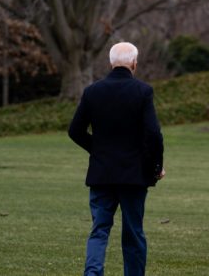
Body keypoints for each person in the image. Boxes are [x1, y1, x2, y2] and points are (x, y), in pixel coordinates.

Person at [68, 42, 165, 276]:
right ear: (134, 63)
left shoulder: (92, 91)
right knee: (133, 232)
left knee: (99, 230)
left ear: (110, 63)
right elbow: (153, 133)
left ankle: (92, 273)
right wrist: (156, 166)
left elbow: (75, 131)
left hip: (102, 174)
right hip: (133, 175)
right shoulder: (143, 91)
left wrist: (98, 150)